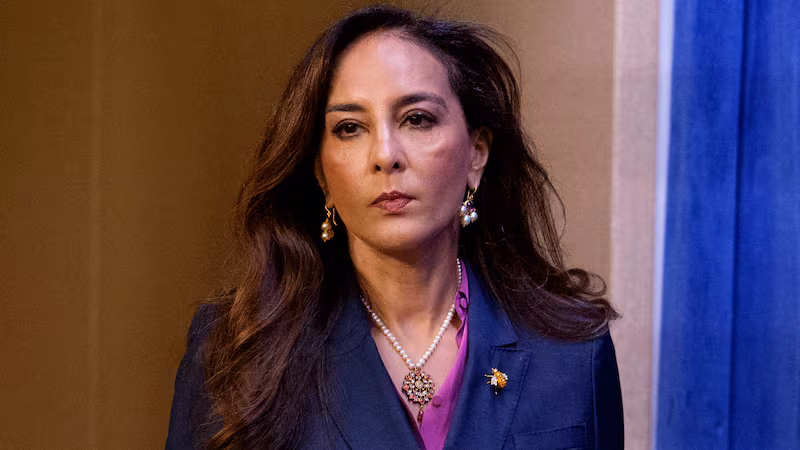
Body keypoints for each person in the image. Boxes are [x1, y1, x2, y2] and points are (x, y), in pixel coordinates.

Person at [166, 5, 623, 449]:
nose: (385, 155)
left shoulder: (571, 352)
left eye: (417, 119)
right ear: (321, 174)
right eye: (350, 127)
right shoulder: (236, 352)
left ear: (476, 154)